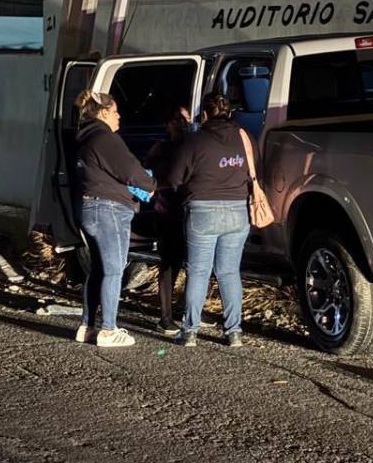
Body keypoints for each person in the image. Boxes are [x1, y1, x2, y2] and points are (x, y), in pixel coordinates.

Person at [168, 92, 253, 348]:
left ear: (204, 114)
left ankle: (190, 331)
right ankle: (234, 332)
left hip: (202, 211)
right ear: (228, 113)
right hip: (238, 211)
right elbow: (253, 169)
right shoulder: (243, 138)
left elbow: (175, 178)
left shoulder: (194, 141)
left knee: (199, 272)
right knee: (229, 272)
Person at [73, 89, 157, 348]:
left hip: (90, 208)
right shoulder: (104, 137)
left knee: (98, 269)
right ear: (104, 112)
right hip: (109, 210)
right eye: (116, 111)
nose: (119, 117)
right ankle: (109, 330)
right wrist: (151, 184)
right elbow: (130, 169)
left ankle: (87, 326)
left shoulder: (84, 138)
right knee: (113, 270)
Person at [143, 105, 192, 336]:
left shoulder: (193, 145)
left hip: (190, 211)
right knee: (170, 263)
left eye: (185, 117)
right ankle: (165, 316)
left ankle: (188, 311)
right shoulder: (161, 148)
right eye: (176, 118)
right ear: (168, 124)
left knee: (192, 264)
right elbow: (145, 177)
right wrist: (162, 187)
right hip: (167, 212)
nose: (182, 122)